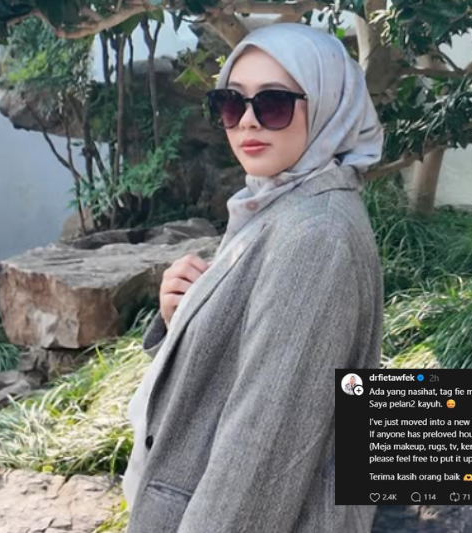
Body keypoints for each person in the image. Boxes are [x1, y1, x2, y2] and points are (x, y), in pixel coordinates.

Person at [122, 22, 385, 533]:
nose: (247, 120)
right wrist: (181, 316)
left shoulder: (316, 235)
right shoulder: (277, 204)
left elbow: (261, 451)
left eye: (273, 103)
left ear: (328, 105)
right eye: (230, 103)